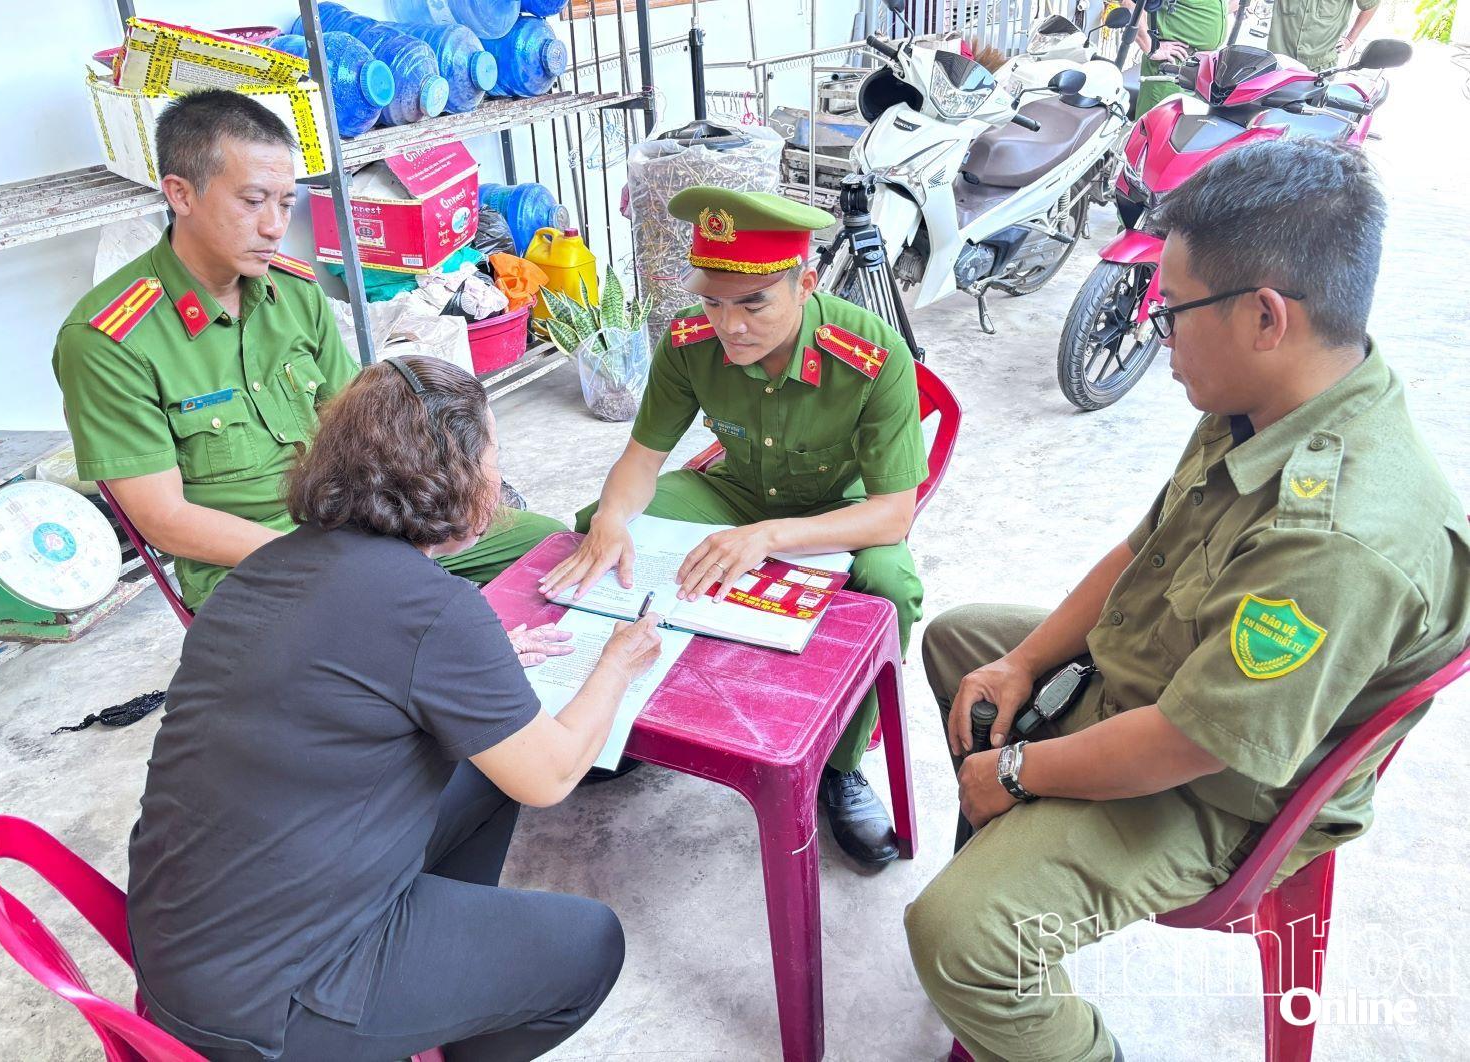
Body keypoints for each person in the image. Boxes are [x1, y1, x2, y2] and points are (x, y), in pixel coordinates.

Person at [904, 139, 1470, 1061]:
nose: (1154, 336)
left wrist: (1011, 776)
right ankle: (1011, 915)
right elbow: (1145, 550)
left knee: (955, 938)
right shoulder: (1271, 394)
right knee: (967, 648)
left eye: (1170, 311)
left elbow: (1193, 743)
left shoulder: (1335, 541)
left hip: (1227, 784)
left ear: (1264, 316)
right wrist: (1021, 664)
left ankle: (1026, 991)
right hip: (1181, 686)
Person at [127, 355, 663, 1062]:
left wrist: (469, 669)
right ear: (453, 475)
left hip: (184, 950)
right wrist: (617, 664)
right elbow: (553, 775)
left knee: (482, 773)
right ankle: (416, 1021)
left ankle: (430, 981)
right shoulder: (433, 609)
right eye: (494, 455)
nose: (500, 477)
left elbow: (347, 668)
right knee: (592, 943)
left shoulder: (266, 566)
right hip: (282, 1006)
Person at [51, 88, 563, 611]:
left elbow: (367, 430)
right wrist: (344, 563)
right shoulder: (107, 341)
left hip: (357, 526)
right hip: (252, 566)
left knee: (553, 549)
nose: (275, 227)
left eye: (286, 203)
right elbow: (165, 520)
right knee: (402, 624)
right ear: (181, 194)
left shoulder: (295, 293)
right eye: (253, 202)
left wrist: (446, 499)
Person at [539, 187, 928, 867]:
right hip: (735, 492)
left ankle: (840, 767)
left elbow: (893, 512)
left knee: (889, 581)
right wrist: (608, 516)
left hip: (835, 511)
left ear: (805, 284)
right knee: (602, 535)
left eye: (753, 304)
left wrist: (769, 537)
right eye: (713, 301)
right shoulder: (691, 344)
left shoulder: (873, 356)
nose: (730, 325)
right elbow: (641, 460)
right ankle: (629, 716)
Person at [1128, 0, 1230, 115]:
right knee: (1161, 128)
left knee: (1187, 128)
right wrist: (1150, 46)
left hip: (1200, 67)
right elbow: (1130, 3)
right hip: (1172, 67)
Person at [1269, 0, 1378, 71]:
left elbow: (1371, 5)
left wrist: (1350, 39)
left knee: (1312, 106)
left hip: (1321, 66)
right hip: (1278, 63)